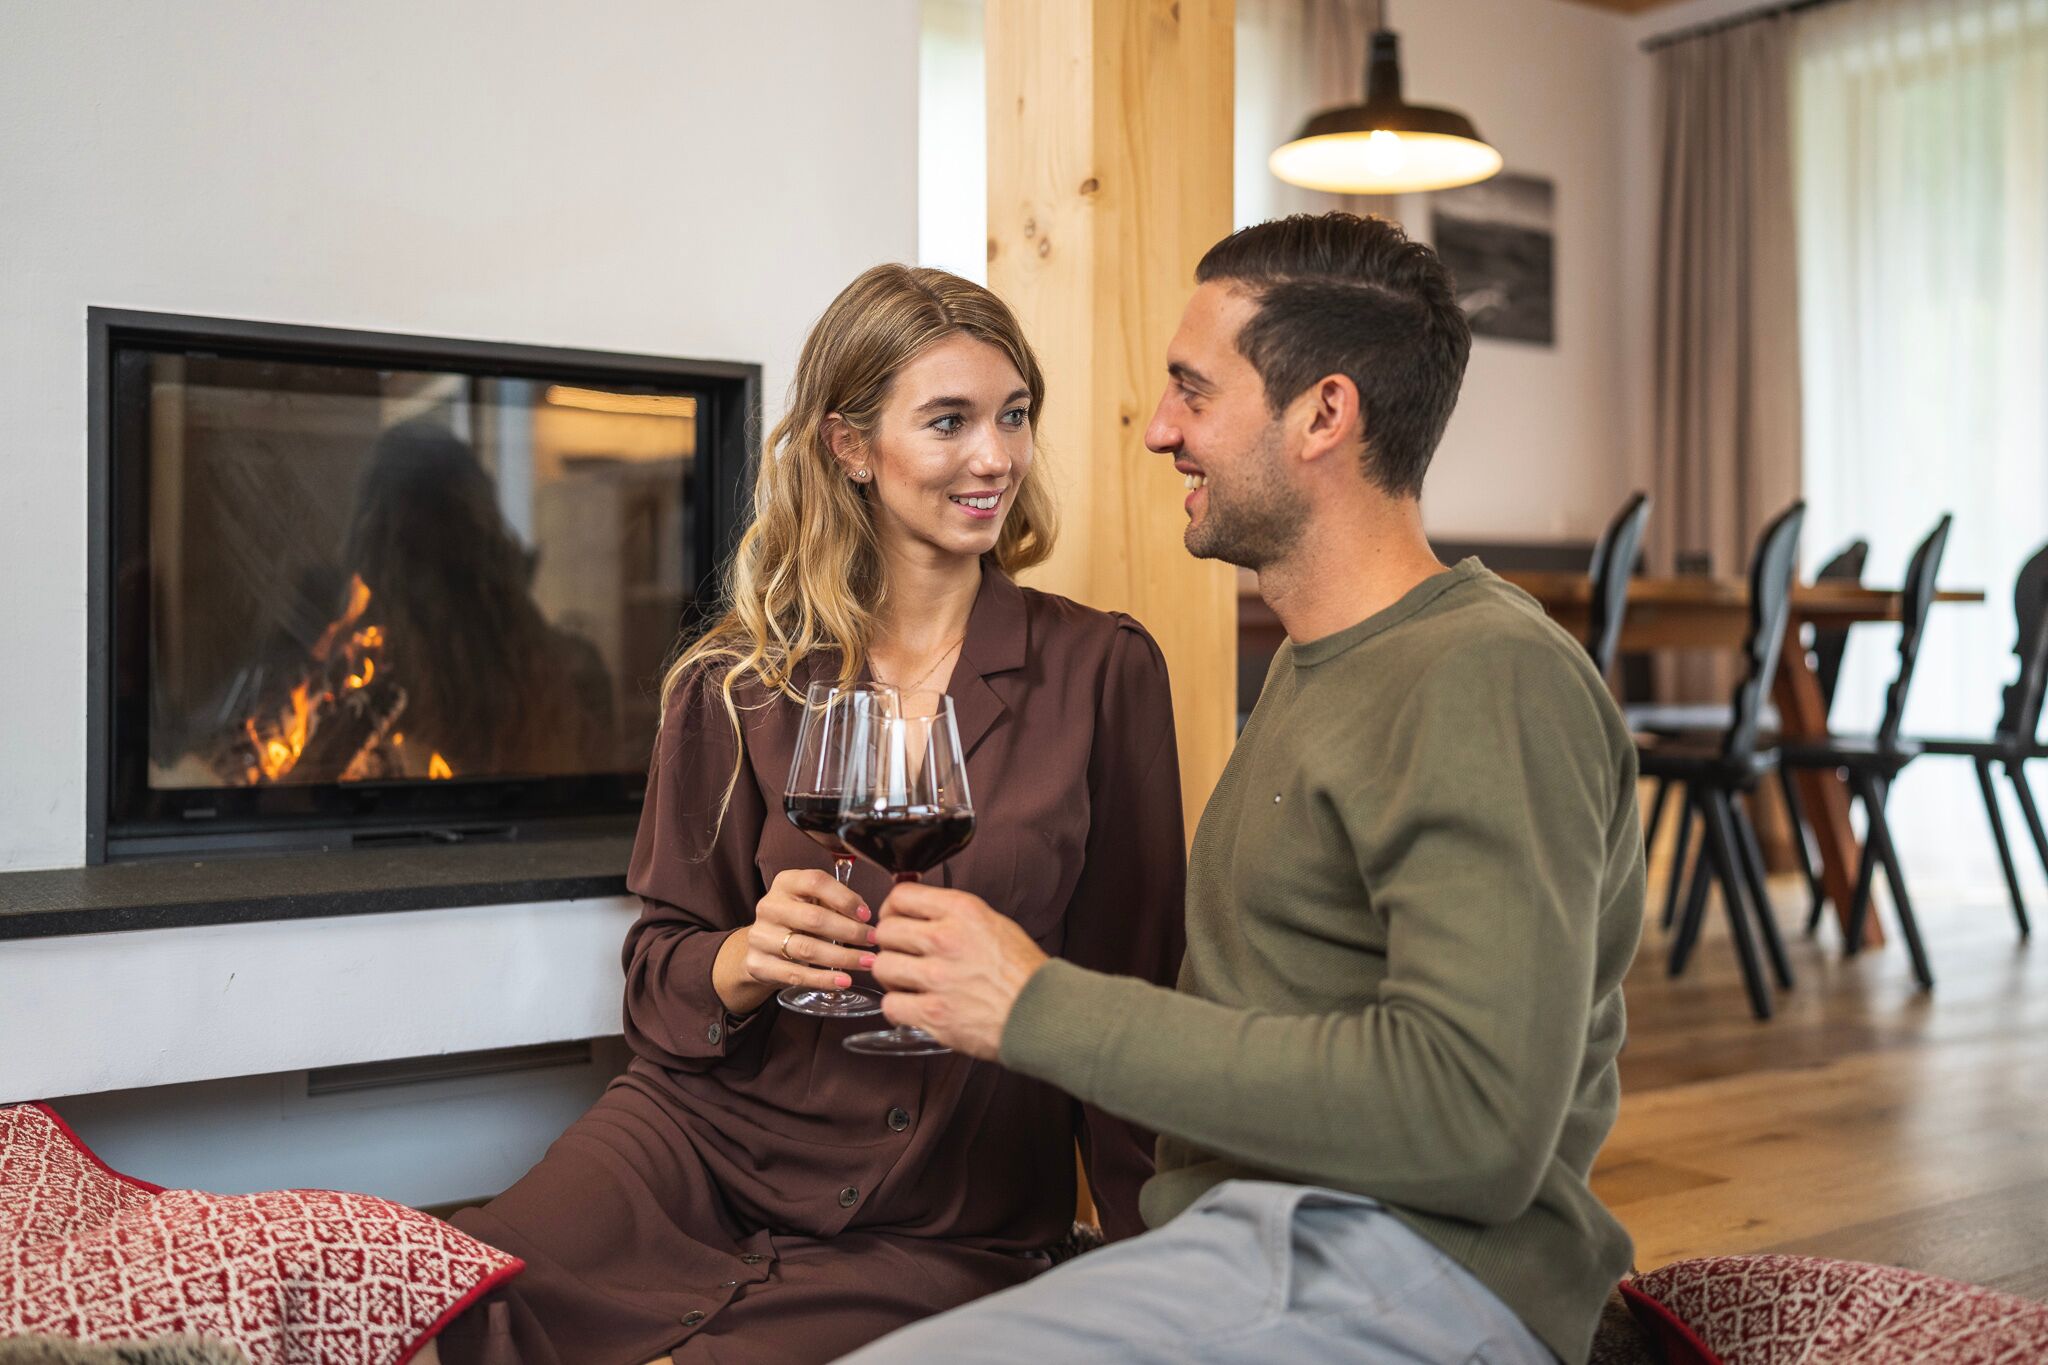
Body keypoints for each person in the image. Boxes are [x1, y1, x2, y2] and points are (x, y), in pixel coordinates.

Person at [839, 214, 1647, 1365]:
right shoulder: (1318, 671)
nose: (1160, 430)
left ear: (1323, 414)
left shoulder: (1485, 675)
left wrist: (1034, 1007)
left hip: (1409, 1273)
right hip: (1247, 1247)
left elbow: (1474, 1119)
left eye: (1192, 391)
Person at [432, 265, 1187, 1365]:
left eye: (1012, 416)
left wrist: (1158, 1281)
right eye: (949, 421)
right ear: (848, 446)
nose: (996, 457)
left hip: (942, 1213)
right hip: (691, 1148)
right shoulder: (732, 684)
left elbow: (1133, 997)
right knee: (451, 1305)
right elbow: (658, 978)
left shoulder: (1100, 671)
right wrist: (745, 956)